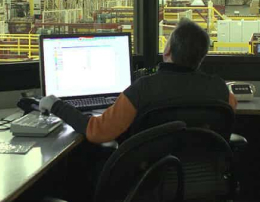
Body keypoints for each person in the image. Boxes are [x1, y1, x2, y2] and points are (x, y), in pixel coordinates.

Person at [40, 18, 237, 143]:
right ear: (201, 58)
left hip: (151, 182)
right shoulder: (221, 91)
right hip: (203, 180)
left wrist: (56, 105)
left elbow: (97, 131)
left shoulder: (143, 90)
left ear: (167, 51)